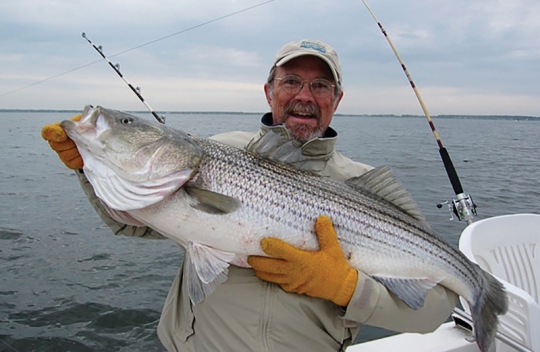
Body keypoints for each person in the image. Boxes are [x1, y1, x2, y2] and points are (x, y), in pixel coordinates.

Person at [42, 39, 458, 351]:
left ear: (337, 99)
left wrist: (348, 289)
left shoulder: (363, 183)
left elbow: (436, 311)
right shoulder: (221, 151)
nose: (304, 96)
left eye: (319, 85)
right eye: (291, 81)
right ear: (268, 90)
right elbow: (129, 223)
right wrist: (90, 167)